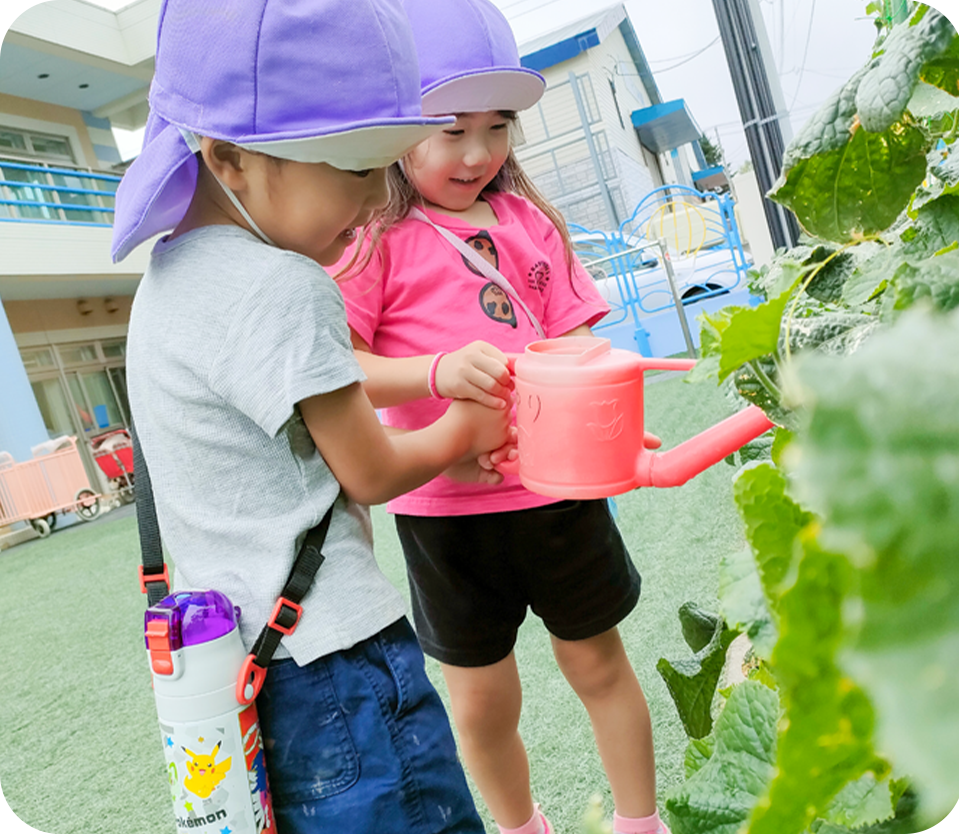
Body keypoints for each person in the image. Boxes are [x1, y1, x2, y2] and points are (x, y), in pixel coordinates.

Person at [110, 1, 509, 832]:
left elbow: (312, 389)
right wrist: (463, 430)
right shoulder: (286, 286)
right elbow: (369, 468)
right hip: (343, 660)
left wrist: (433, 381)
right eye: (357, 168)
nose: (375, 199)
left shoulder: (166, 287)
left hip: (252, 663)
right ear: (230, 159)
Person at [336, 2, 670, 833]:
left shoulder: (528, 223)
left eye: (498, 126)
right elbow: (337, 365)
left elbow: (578, 348)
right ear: (394, 129)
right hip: (443, 514)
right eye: (448, 128)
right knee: (483, 701)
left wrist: (614, 431)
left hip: (558, 496)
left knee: (599, 664)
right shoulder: (371, 238)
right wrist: (436, 371)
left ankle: (640, 822)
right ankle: (521, 827)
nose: (479, 153)